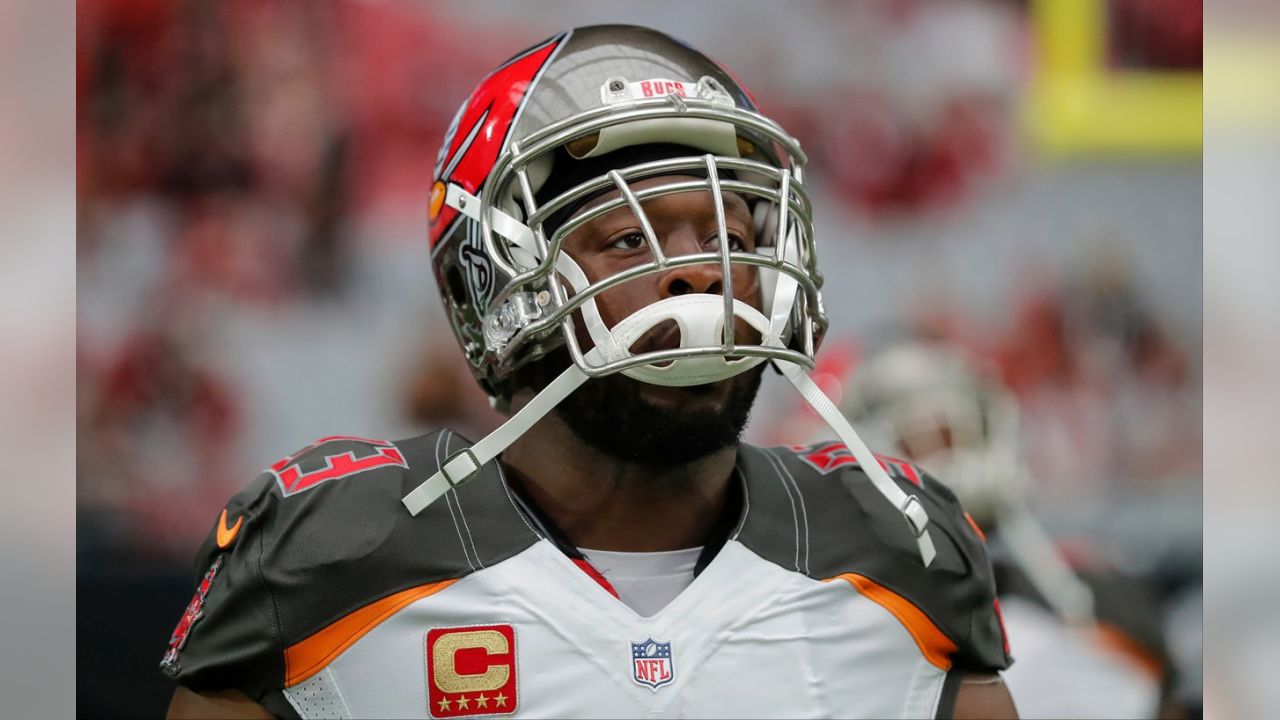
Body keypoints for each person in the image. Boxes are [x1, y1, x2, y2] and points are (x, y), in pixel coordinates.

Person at [161, 25, 1016, 719]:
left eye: (730, 234)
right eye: (630, 239)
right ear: (494, 286)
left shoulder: (898, 554)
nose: (700, 272)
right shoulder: (328, 564)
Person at [834, 339, 1180, 718]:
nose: (954, 460)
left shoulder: (1103, 599)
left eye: (960, 435)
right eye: (924, 441)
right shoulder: (838, 630)